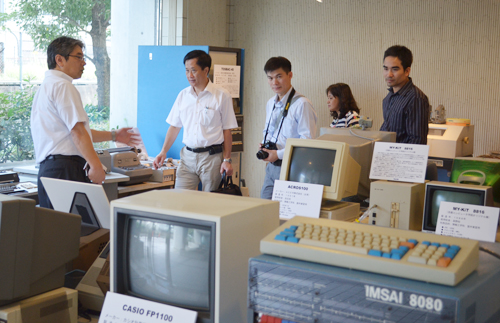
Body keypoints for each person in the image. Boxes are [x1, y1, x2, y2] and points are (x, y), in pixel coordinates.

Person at [31, 36, 140, 208]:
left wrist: (114, 135)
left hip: (51, 170)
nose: (84, 63)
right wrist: (96, 166)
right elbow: (77, 132)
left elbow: (76, 130)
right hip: (66, 169)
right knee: (75, 230)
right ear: (59, 59)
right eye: (79, 57)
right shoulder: (63, 86)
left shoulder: (46, 87)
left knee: (55, 230)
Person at [153, 50, 237, 192]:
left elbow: (227, 131)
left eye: (193, 70)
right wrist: (163, 151)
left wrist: (227, 160)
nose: (189, 75)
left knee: (210, 204)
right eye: (187, 71)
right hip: (187, 157)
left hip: (212, 158)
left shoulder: (222, 96)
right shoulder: (183, 95)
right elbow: (174, 126)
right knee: (181, 201)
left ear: (206, 70)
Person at [259, 56, 317, 199]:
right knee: (264, 209)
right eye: (270, 78)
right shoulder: (270, 103)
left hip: (292, 167)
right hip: (271, 167)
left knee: (285, 214)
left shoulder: (302, 104)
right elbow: (271, 131)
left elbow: (307, 142)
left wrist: (277, 154)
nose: (274, 82)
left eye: (279, 76)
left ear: (290, 75)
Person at [379, 45, 429, 144]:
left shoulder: (416, 98)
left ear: (407, 71)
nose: (389, 74)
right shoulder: (389, 97)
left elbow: (417, 141)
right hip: (387, 156)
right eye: (386, 69)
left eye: (395, 69)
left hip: (402, 158)